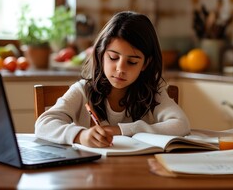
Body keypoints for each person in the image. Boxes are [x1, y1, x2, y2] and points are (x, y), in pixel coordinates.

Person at [35, 11, 190, 148]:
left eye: (132, 62)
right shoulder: (83, 90)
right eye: (113, 57)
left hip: (139, 173)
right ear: (101, 55)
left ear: (145, 64)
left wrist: (122, 130)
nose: (120, 69)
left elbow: (181, 124)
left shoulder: (153, 92)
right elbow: (43, 124)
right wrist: (80, 136)